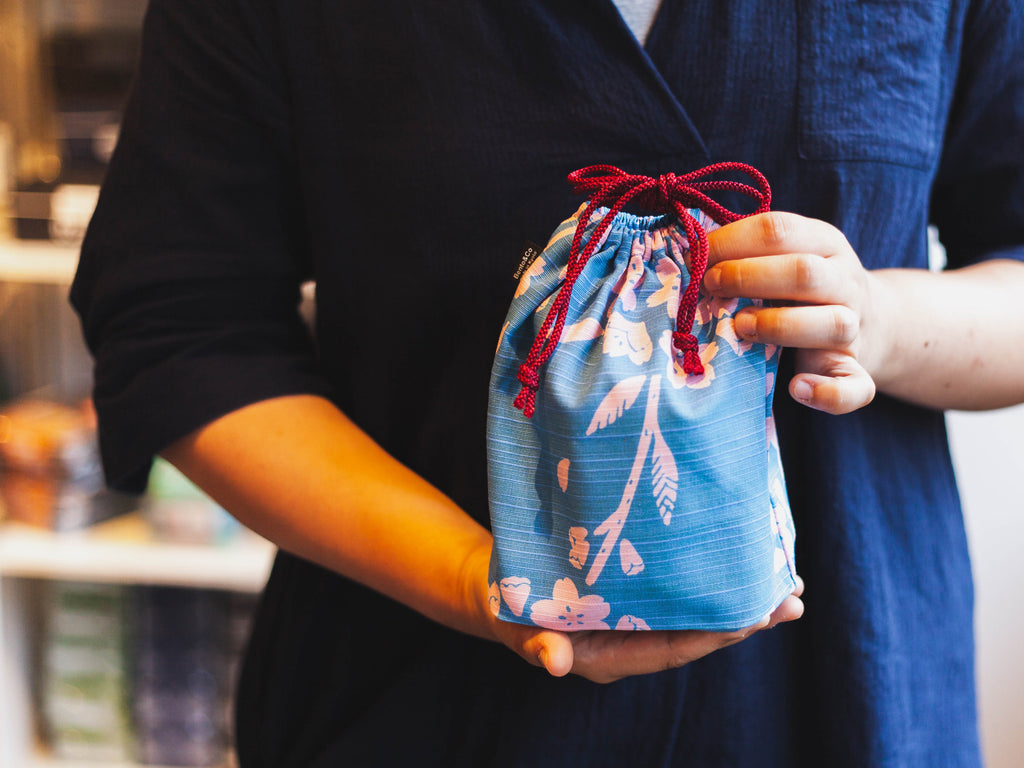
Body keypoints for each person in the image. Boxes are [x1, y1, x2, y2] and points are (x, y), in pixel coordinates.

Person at [70, 1, 1024, 766]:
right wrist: (470, 577)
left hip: (848, 697)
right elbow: (184, 325)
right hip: (417, 702)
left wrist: (881, 320)